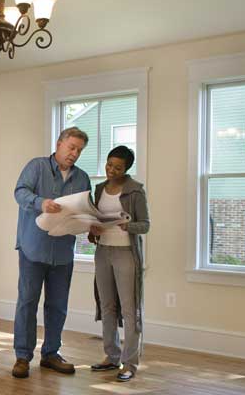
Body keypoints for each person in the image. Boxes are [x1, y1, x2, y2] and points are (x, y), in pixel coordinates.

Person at [12, 127, 91, 378]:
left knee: (58, 306)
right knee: (27, 303)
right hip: (32, 249)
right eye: (71, 147)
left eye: (79, 150)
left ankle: (51, 354)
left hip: (63, 252)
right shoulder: (36, 167)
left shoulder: (82, 178)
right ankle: (22, 357)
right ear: (59, 144)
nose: (74, 153)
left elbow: (85, 210)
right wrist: (41, 202)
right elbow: (20, 192)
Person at [88, 145, 150, 382]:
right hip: (103, 251)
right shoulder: (100, 189)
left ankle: (130, 363)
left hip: (126, 254)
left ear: (126, 169)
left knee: (129, 309)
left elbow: (145, 225)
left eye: (117, 167)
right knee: (107, 306)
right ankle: (111, 356)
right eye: (109, 164)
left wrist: (127, 225)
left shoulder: (135, 191)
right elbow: (96, 219)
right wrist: (93, 230)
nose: (111, 170)